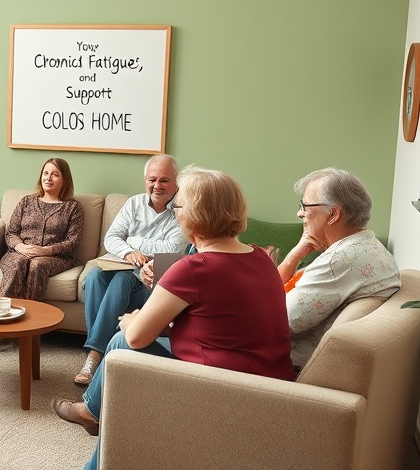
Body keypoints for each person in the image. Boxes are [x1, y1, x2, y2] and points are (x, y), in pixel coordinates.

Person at [51, 166, 295, 470]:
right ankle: (93, 420)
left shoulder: (194, 267)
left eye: (177, 206)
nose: (174, 213)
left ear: (195, 215)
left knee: (121, 342)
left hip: (223, 385)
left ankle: (91, 412)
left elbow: (137, 337)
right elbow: (216, 317)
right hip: (270, 380)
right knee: (127, 356)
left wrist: (131, 321)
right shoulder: (260, 256)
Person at [75, 154, 188, 385]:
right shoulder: (134, 203)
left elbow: (173, 248)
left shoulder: (181, 208)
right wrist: (128, 252)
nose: (157, 185)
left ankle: (94, 356)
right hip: (124, 266)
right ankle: (101, 352)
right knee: (95, 277)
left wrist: (132, 241)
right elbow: (111, 238)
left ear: (176, 182)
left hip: (153, 283)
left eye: (164, 180)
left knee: (122, 280)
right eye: (152, 179)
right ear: (145, 180)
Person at [277, 168, 400, 368]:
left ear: (333, 214)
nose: (300, 213)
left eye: (305, 206)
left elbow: (278, 322)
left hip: (283, 366)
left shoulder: (338, 261)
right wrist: (295, 255)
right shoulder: (370, 245)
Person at [0, 158, 84, 354]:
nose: (48, 178)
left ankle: (29, 328)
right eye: (46, 173)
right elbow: (11, 232)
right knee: (19, 263)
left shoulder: (73, 208)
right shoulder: (26, 202)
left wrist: (45, 250)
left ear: (65, 179)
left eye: (55, 174)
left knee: (37, 265)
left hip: (54, 257)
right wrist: (21, 246)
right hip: (19, 252)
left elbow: (72, 242)